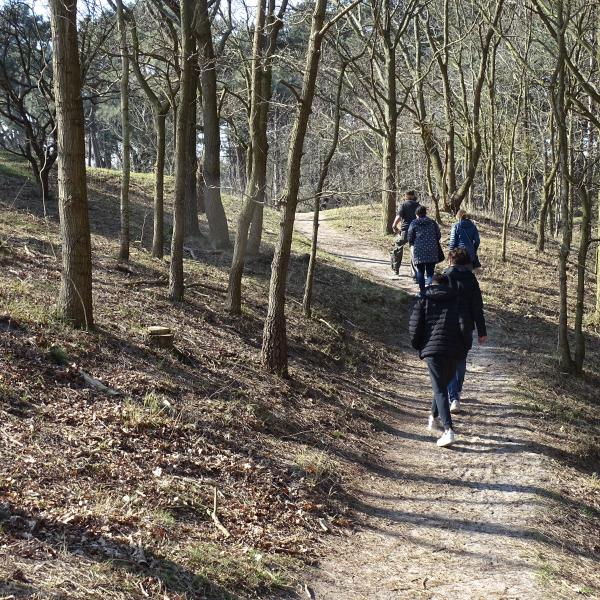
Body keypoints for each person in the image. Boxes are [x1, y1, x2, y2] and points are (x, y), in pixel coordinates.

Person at [409, 273, 470, 447]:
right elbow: (465, 327)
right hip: (454, 351)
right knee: (441, 386)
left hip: (432, 350)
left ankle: (448, 430)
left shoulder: (423, 300)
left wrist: (418, 345)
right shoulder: (458, 301)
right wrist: (465, 347)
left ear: (432, 284)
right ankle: (433, 417)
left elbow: (414, 326)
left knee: (440, 388)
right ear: (447, 285)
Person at [444, 248, 487, 412]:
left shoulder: (445, 276)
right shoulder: (472, 279)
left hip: (447, 324)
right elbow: (477, 307)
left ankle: (454, 397)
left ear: (450, 260)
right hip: (466, 326)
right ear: (466, 263)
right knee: (460, 360)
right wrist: (482, 331)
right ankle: (457, 391)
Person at [407, 205, 442, 294]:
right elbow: (438, 235)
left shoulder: (414, 223)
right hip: (432, 250)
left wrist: (413, 243)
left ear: (417, 214)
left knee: (420, 271)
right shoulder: (432, 222)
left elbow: (410, 237)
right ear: (425, 213)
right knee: (430, 272)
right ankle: (430, 289)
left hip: (419, 250)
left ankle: (422, 291)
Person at [390, 191, 420, 276]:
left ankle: (395, 269)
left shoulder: (403, 205)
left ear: (406, 196)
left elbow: (399, 216)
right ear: (413, 196)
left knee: (398, 247)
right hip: (416, 232)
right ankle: (414, 273)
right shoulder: (418, 206)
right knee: (414, 251)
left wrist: (394, 225)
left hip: (405, 231)